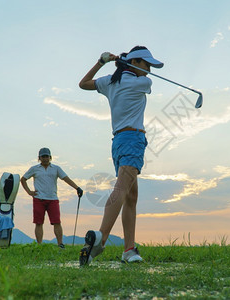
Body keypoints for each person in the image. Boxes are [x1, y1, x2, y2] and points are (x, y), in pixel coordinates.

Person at [78, 46, 163, 265]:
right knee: (122, 190)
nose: (150, 70)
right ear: (134, 63)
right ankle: (101, 238)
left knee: (131, 197)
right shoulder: (143, 83)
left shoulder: (110, 81)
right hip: (133, 141)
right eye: (147, 65)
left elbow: (84, 83)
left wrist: (101, 61)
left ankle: (128, 250)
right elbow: (141, 78)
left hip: (118, 143)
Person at [21, 147, 83, 248]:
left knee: (57, 222)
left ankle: (60, 244)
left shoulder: (56, 168)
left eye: (47, 156)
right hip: (38, 199)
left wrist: (77, 188)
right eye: (43, 156)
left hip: (53, 199)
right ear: (39, 158)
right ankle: (39, 245)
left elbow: (66, 178)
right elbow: (23, 179)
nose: (45, 158)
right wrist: (29, 192)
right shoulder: (34, 169)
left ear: (50, 157)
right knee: (38, 223)